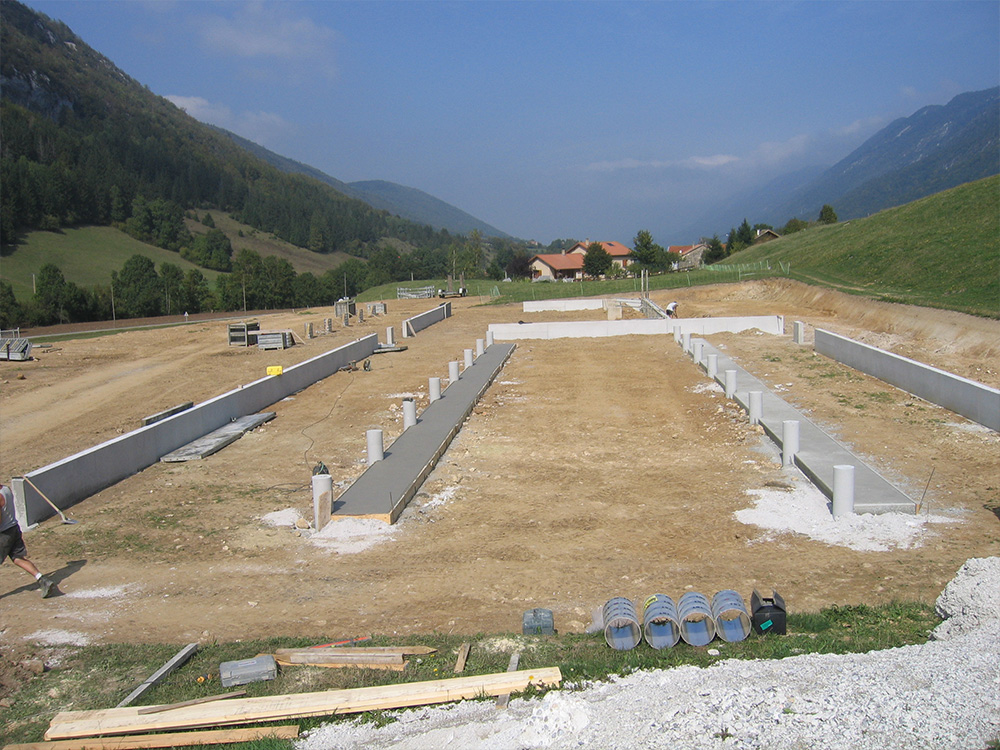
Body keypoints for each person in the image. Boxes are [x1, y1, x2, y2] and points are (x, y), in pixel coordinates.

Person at [1, 482, 55, 597]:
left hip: (4, 534)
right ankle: (42, 579)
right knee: (18, 558)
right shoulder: (6, 489)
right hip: (14, 529)